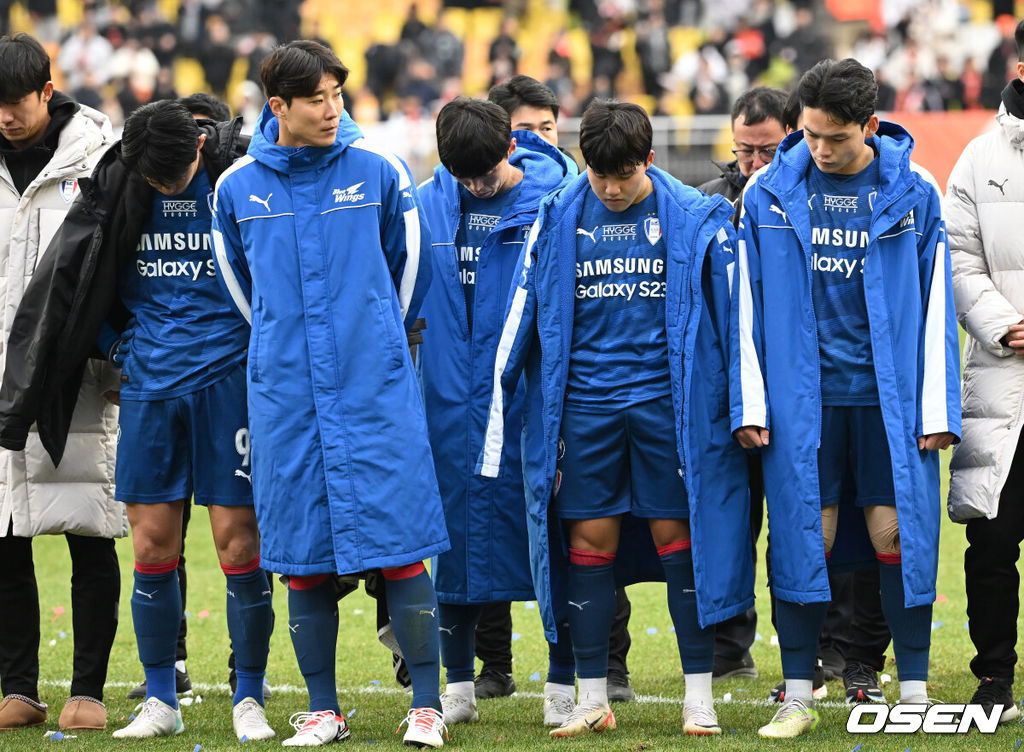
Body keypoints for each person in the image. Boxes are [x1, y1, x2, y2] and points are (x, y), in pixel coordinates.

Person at [477, 100, 753, 738]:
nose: (612, 187)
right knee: (586, 544)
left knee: (679, 543)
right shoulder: (559, 215)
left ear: (649, 161)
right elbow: (521, 313)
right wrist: (499, 404)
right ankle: (593, 696)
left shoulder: (694, 216)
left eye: (624, 175)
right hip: (586, 411)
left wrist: (744, 407)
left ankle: (698, 697)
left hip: (667, 409)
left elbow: (736, 320)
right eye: (600, 176)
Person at [211, 40, 449, 748]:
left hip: (375, 391)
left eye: (338, 95)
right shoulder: (236, 188)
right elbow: (243, 296)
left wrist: (376, 341)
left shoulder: (378, 170)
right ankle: (323, 709)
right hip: (288, 401)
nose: (332, 109)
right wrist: (289, 353)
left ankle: (428, 706)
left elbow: (410, 273)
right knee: (302, 558)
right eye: (317, 98)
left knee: (403, 547)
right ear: (277, 106)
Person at [732, 58, 960, 738]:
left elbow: (936, 303)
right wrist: (750, 403)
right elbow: (746, 304)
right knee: (809, 536)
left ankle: (913, 690)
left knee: (899, 535)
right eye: (809, 136)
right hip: (804, 405)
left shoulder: (915, 191)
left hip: (887, 404)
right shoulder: (768, 195)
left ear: (868, 125)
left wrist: (936, 409)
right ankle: (799, 691)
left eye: (833, 138)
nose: (819, 150)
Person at [417, 96, 577, 729]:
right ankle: (457, 684)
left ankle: (563, 680)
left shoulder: (554, 200)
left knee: (550, 539)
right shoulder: (429, 203)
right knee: (452, 548)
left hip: (528, 404)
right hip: (451, 403)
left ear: (512, 148)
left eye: (484, 173)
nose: (475, 186)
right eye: (463, 176)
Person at [482, 74, 637, 704]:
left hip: (567, 398)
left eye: (547, 129)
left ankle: (605, 663)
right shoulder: (464, 198)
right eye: (524, 131)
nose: (538, 142)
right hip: (491, 392)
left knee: (588, 528)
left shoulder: (575, 199)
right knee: (493, 527)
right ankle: (493, 661)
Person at [0, 32, 121, 734]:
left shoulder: (100, 159)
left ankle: (88, 689)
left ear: (48, 90)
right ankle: (18, 685)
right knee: (5, 537)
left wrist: (110, 366)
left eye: (17, 103)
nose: (7, 118)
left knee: (88, 527)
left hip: (75, 377)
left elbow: (116, 274)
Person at [945, 16, 1024, 725]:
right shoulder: (976, 158)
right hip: (1005, 380)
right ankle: (993, 675)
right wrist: (1007, 323)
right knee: (993, 541)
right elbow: (958, 260)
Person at [697, 84, 787, 683]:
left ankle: (827, 646)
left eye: (767, 150)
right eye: (744, 151)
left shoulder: (802, 199)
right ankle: (730, 647)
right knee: (729, 520)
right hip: (725, 391)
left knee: (805, 520)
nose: (754, 163)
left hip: (791, 388)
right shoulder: (707, 202)